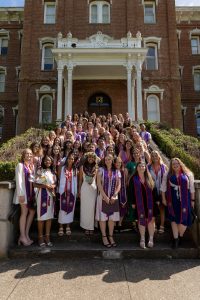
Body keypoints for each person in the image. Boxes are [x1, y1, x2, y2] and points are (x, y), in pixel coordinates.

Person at [161, 158, 195, 248]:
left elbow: (191, 188)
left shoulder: (188, 174)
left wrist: (192, 200)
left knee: (184, 221)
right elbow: (163, 188)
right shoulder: (167, 175)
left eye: (177, 163)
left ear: (180, 164)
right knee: (173, 219)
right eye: (173, 164)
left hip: (185, 200)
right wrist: (164, 199)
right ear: (171, 166)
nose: (175, 165)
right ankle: (176, 240)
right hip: (172, 200)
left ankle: (180, 236)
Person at [128, 161, 157, 249]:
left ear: (145, 168)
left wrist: (157, 200)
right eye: (140, 166)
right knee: (141, 220)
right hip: (139, 202)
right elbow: (131, 191)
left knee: (151, 220)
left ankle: (151, 239)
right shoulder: (134, 178)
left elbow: (154, 190)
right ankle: (142, 238)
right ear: (137, 168)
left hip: (150, 202)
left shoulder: (149, 177)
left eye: (143, 166)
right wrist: (132, 202)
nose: (141, 168)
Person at [96, 154, 121, 248]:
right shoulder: (101, 170)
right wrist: (105, 196)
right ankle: (104, 236)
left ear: (112, 160)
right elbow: (98, 184)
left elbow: (119, 185)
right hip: (102, 197)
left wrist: (114, 195)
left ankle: (110, 236)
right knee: (103, 218)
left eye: (109, 159)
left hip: (113, 198)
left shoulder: (117, 171)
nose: (108, 160)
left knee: (111, 219)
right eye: (106, 159)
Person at [13, 149, 36, 246]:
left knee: (32, 212)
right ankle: (22, 236)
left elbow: (33, 180)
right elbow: (19, 181)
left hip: (30, 194)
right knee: (24, 212)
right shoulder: (20, 165)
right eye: (27, 154)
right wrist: (21, 194)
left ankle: (26, 234)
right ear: (23, 155)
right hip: (23, 194)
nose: (29, 155)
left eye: (30, 154)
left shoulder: (31, 166)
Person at [33, 156, 56, 247]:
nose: (48, 162)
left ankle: (47, 237)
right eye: (46, 160)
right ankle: (40, 237)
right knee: (41, 217)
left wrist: (53, 186)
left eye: (49, 160)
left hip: (50, 196)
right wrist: (46, 186)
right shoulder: (40, 171)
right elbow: (35, 184)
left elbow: (54, 183)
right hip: (41, 196)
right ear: (43, 161)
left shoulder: (52, 172)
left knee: (49, 217)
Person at [58, 151, 77, 236]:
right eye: (69, 158)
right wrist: (60, 190)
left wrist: (76, 192)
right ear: (67, 159)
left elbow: (76, 181)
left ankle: (68, 225)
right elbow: (59, 179)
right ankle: (61, 226)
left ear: (74, 160)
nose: (71, 160)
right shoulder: (62, 168)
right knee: (62, 209)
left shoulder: (75, 169)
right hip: (63, 191)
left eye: (72, 159)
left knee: (71, 209)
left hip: (72, 192)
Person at [148, 151, 168, 233]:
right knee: (153, 209)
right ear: (151, 158)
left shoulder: (164, 167)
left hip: (162, 191)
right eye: (152, 156)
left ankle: (162, 225)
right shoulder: (148, 167)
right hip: (152, 191)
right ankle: (154, 225)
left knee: (162, 209)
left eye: (156, 155)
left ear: (159, 156)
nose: (154, 157)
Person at [79, 152, 98, 235]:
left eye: (92, 158)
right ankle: (86, 226)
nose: (91, 159)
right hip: (84, 189)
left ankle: (92, 226)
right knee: (85, 208)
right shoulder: (82, 167)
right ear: (87, 158)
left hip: (93, 189)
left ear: (94, 159)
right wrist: (79, 190)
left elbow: (97, 180)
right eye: (89, 158)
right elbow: (80, 180)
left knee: (92, 208)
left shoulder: (96, 168)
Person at [114, 157, 128, 231]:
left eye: (120, 162)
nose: (118, 164)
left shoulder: (124, 171)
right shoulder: (112, 170)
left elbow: (125, 182)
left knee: (122, 206)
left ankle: (119, 223)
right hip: (113, 191)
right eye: (117, 162)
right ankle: (114, 224)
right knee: (114, 207)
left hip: (122, 191)